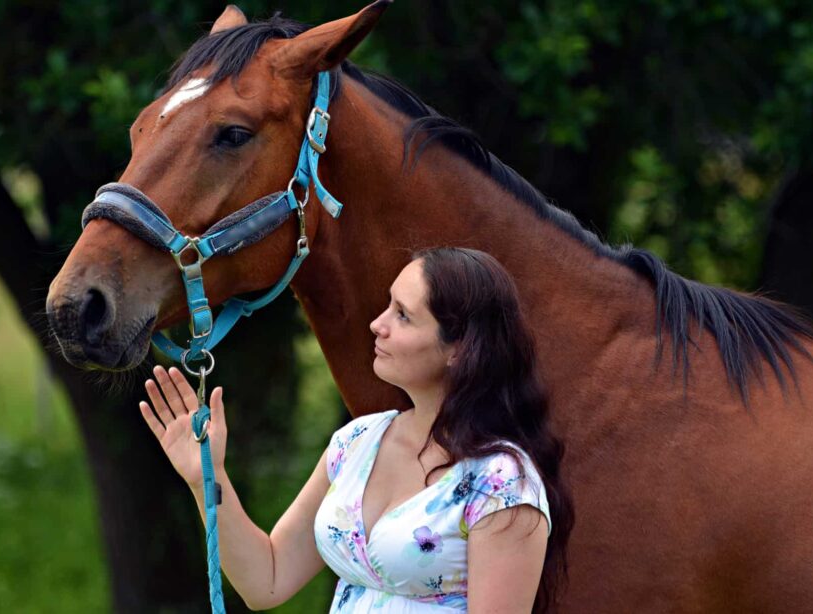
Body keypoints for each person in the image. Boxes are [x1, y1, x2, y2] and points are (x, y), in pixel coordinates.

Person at [139, 247, 573, 613]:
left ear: (459, 348)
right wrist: (206, 479)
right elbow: (265, 580)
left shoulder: (501, 483)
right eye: (388, 305)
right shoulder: (356, 442)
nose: (376, 324)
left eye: (403, 315)